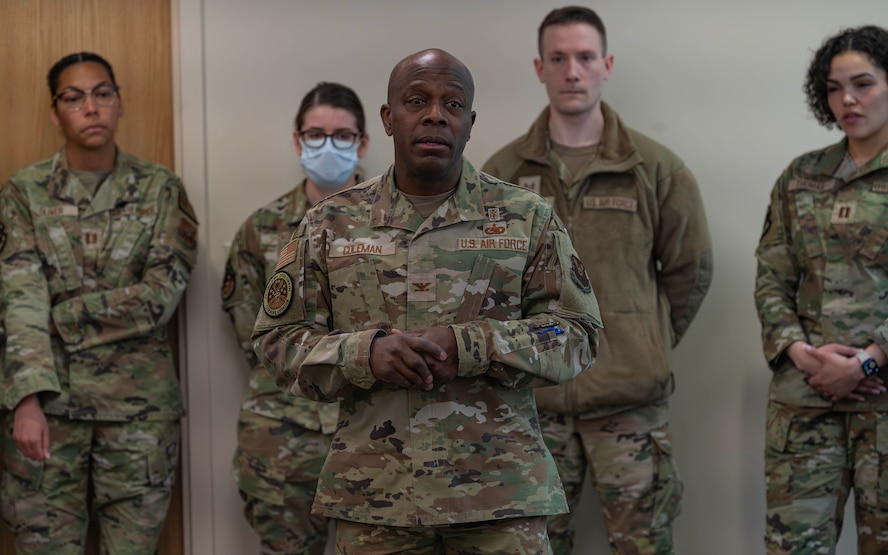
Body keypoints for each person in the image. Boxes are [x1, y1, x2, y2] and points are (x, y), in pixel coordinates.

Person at [252, 48, 602, 554]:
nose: (436, 114)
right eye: (418, 100)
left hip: (499, 500)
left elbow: (578, 332)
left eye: (453, 104)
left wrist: (472, 346)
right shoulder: (329, 223)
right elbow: (276, 341)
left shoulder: (526, 217)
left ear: (470, 121)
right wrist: (364, 355)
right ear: (389, 119)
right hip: (375, 499)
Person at [483, 6, 713, 554]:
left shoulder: (655, 169)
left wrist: (642, 338)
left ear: (606, 64)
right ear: (539, 69)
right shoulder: (503, 175)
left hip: (629, 406)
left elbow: (690, 271)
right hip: (533, 407)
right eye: (558, 59)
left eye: (585, 57)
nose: (573, 71)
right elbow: (485, 288)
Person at [0, 52, 197, 554]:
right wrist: (26, 398)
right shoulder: (22, 193)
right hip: (47, 411)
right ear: (55, 112)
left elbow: (159, 297)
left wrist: (58, 316)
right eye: (74, 97)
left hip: (138, 417)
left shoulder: (161, 190)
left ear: (120, 103)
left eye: (102, 93)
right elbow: (18, 297)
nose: (91, 107)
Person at [754, 25, 888, 554]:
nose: (847, 99)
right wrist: (800, 352)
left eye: (863, 83)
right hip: (805, 405)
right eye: (834, 87)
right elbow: (771, 274)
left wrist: (870, 360)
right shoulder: (800, 177)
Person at [221, 81, 369, 554]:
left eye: (343, 135)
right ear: (297, 139)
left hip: (374, 433)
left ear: (363, 142)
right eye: (316, 134)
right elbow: (254, 336)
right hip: (284, 436)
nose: (329, 145)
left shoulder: (401, 226)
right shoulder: (261, 230)